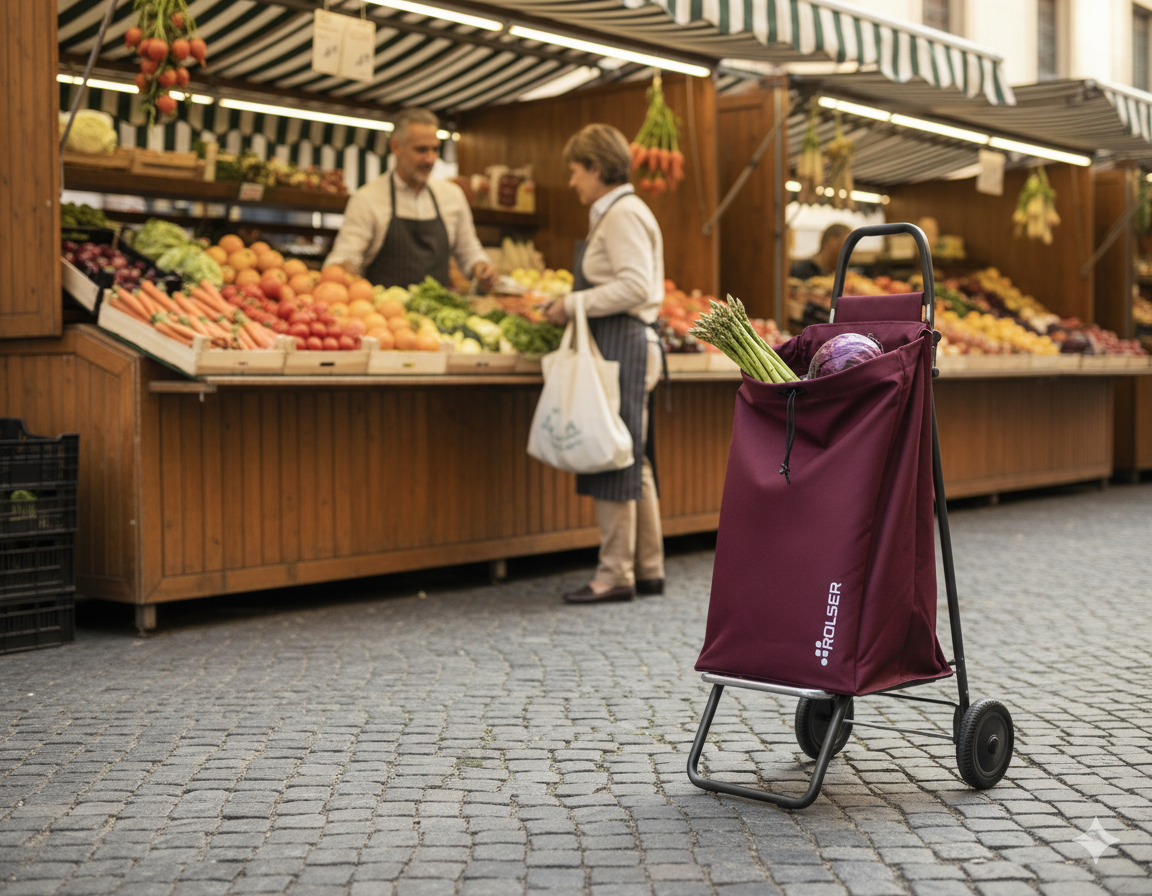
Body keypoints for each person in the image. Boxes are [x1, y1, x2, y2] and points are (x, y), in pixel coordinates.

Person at [544, 124, 665, 605]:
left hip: (624, 344)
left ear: (595, 168)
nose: (573, 183)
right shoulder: (622, 211)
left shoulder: (621, 215)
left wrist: (574, 303)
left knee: (613, 455)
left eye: (576, 172)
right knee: (632, 454)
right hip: (626, 343)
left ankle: (615, 574)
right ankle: (649, 566)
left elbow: (636, 287)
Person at [324, 107, 497, 290]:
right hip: (385, 313)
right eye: (421, 150)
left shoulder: (452, 195)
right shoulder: (367, 199)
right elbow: (346, 253)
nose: (430, 159)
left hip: (436, 312)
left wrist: (480, 265)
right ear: (396, 147)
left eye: (435, 150)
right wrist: (342, 267)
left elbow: (468, 248)